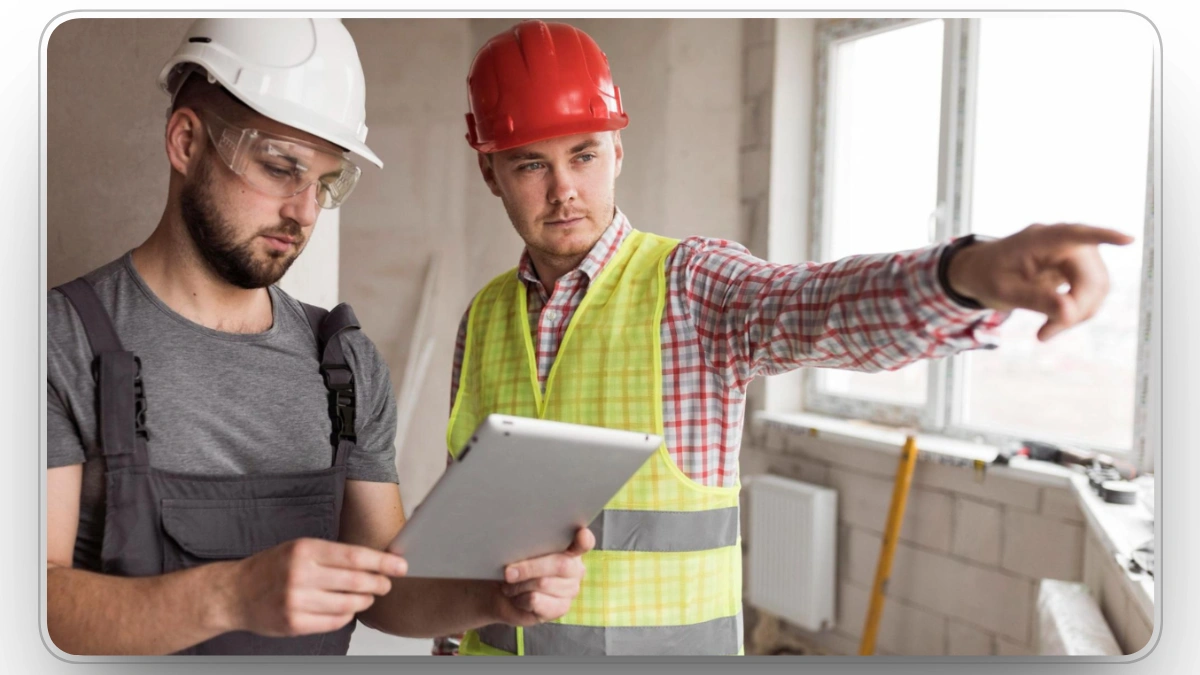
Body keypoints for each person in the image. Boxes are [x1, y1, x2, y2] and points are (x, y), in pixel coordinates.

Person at [440, 19, 1134, 657]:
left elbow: (817, 304)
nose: (563, 189)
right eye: (531, 163)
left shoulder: (689, 286)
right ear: (489, 171)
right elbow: (463, 524)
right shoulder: (484, 318)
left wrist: (967, 274)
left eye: (583, 154)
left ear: (617, 150)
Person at [45, 18, 590, 657]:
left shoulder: (343, 365)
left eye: (326, 184)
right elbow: (32, 603)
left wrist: (491, 597)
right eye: (281, 168)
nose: (304, 211)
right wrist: (231, 595)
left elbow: (383, 588)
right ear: (187, 141)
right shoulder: (63, 341)